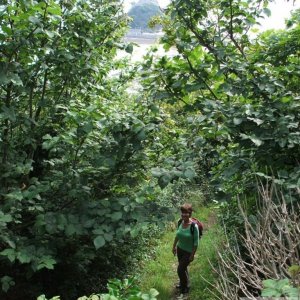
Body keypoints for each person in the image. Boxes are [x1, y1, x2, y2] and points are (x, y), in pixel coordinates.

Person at [172, 203, 199, 294]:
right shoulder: (180, 222)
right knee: (183, 268)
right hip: (180, 249)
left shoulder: (193, 226)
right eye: (182, 212)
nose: (184, 214)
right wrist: (174, 246)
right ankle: (184, 283)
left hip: (188, 251)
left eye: (186, 213)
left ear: (190, 213)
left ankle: (184, 286)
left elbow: (196, 243)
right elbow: (177, 235)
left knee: (180, 269)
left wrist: (192, 255)